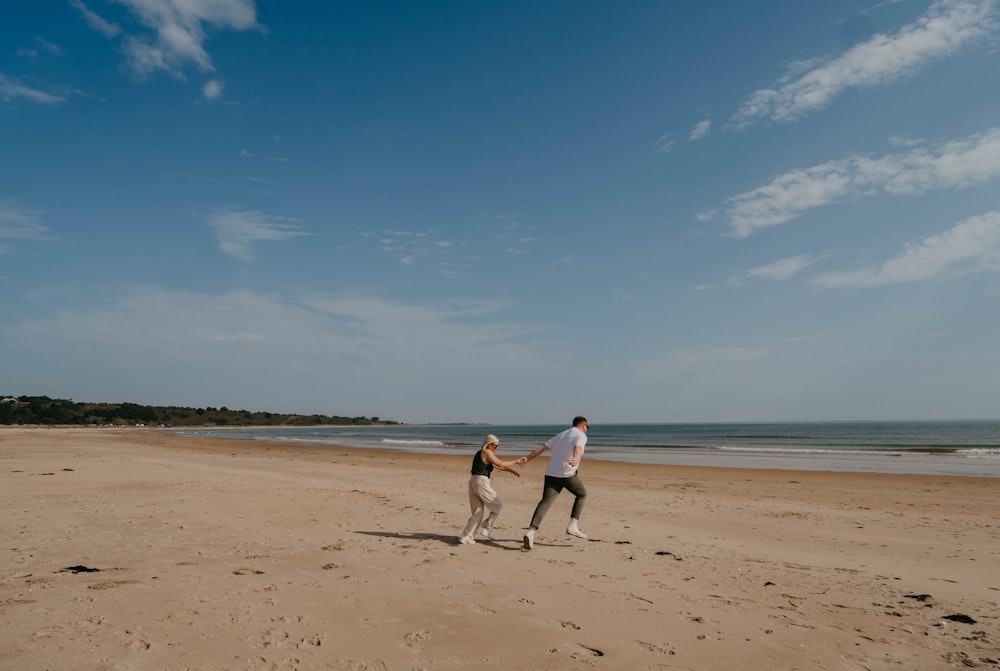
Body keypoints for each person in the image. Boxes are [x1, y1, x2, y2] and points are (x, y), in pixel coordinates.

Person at [518, 416, 589, 550]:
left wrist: (527, 458)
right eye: (587, 428)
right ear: (584, 425)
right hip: (566, 473)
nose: (587, 430)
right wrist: (576, 458)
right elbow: (578, 447)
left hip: (551, 474)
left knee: (545, 502)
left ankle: (531, 532)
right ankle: (573, 525)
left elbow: (542, 448)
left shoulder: (561, 435)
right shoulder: (581, 435)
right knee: (582, 494)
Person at [458, 434, 521, 545]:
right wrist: (516, 461)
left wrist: (511, 471)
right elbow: (500, 463)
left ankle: (466, 536)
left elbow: (499, 466)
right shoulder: (487, 452)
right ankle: (487, 527)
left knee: (477, 512)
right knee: (497, 505)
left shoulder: (480, 453)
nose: (497, 448)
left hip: (473, 481)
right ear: (490, 444)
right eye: (495, 446)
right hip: (481, 481)